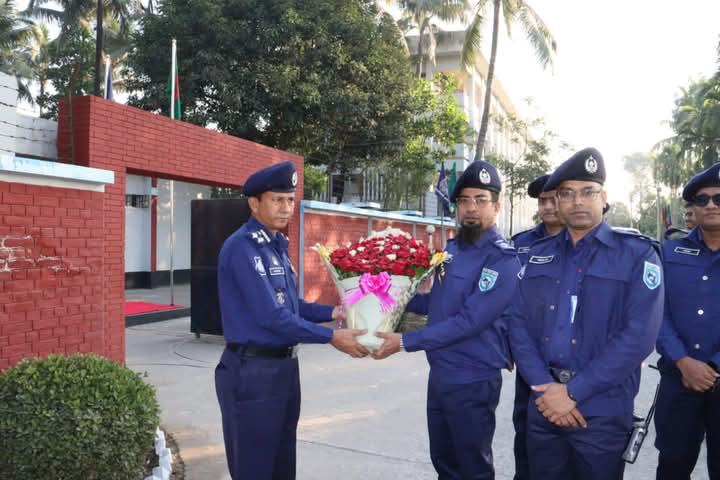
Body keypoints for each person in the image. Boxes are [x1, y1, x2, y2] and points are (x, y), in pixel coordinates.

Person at [509, 147, 664, 480]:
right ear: (558, 200)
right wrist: (544, 387)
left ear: (603, 197)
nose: (577, 201)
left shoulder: (637, 255)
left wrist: (573, 394)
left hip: (602, 408)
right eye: (567, 193)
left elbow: (639, 337)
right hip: (544, 403)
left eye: (587, 192)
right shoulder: (537, 255)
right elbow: (518, 326)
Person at [214, 160, 369, 480]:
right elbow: (271, 317)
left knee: (282, 464)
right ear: (254, 203)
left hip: (283, 370)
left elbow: (290, 305)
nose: (286, 208)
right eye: (277, 199)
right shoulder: (242, 249)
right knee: (256, 468)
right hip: (252, 373)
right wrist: (331, 337)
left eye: (290, 199)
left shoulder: (276, 246)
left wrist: (334, 313)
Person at [373, 160, 521, 479]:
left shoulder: (503, 259)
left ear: (496, 206)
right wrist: (387, 297)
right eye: (464, 200)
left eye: (480, 200)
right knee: (444, 461)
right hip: (440, 374)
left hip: (473, 378)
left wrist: (405, 341)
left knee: (472, 467)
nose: (470, 208)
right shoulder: (453, 249)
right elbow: (436, 302)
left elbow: (469, 321)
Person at [654, 162, 720, 480]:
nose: (710, 205)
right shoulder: (669, 252)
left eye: (719, 199)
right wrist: (683, 361)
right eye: (703, 199)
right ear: (693, 207)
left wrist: (714, 365)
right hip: (678, 383)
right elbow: (656, 313)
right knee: (673, 466)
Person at [510, 173, 564, 480]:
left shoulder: (581, 241)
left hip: (573, 355)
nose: (548, 206)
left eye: (554, 198)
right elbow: (508, 302)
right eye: (542, 200)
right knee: (526, 428)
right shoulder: (522, 244)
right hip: (530, 358)